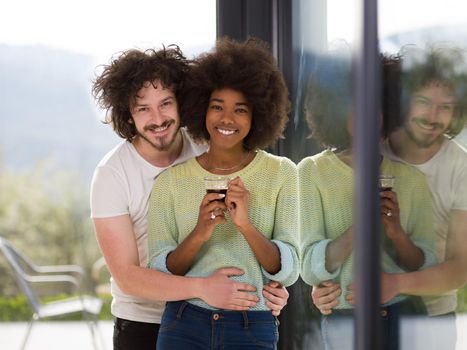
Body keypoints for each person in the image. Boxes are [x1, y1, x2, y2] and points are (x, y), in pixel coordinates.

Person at [90, 46, 289, 350]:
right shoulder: (111, 174)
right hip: (142, 322)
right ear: (128, 116)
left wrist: (272, 288)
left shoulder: (206, 148)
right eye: (143, 108)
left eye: (166, 103)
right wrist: (202, 288)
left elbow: (250, 242)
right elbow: (127, 277)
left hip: (218, 315)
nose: (158, 118)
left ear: (182, 104)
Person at [147, 37, 300, 349]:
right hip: (183, 322)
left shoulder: (282, 173)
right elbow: (163, 271)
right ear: (201, 109)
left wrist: (245, 225)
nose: (227, 119)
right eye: (217, 107)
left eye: (240, 109)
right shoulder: (170, 183)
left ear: (258, 114)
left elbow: (288, 268)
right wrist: (200, 233)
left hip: (251, 324)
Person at [311, 46, 467, 350]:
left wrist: (394, 284)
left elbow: (459, 269)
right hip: (356, 313)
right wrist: (318, 288)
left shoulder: (461, 166)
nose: (433, 117)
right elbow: (324, 237)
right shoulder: (365, 145)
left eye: (446, 106)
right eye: (423, 102)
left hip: (431, 318)